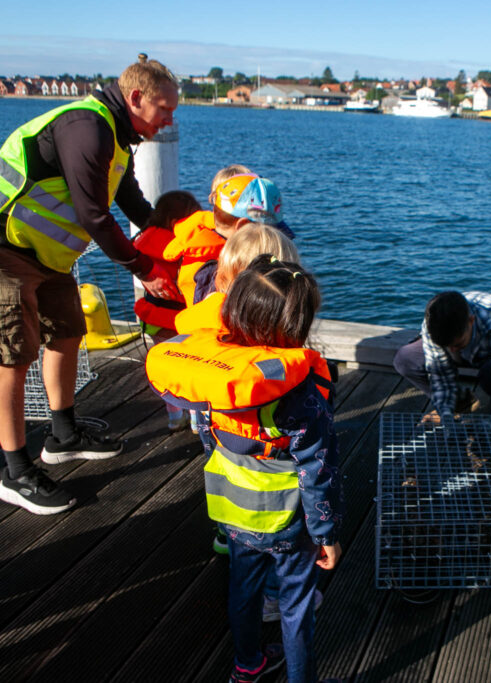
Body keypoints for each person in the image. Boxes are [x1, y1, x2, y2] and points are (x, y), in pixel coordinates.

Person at [0, 56, 181, 515]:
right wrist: (144, 269)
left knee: (68, 332)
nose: (169, 120)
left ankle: (63, 434)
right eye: (165, 109)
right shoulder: (85, 128)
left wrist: (175, 239)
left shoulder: (116, 138)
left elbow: (129, 201)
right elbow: (94, 215)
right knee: (11, 355)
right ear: (135, 98)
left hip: (41, 252)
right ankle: (16, 473)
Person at [146, 256, 342, 683]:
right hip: (289, 523)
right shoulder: (299, 394)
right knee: (295, 606)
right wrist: (326, 535)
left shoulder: (217, 379)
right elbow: (317, 471)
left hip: (233, 510)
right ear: (298, 324)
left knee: (243, 589)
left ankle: (247, 665)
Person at [393, 291, 491, 444]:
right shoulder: (432, 322)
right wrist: (445, 413)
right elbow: (440, 373)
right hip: (464, 349)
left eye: (457, 344)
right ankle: (460, 402)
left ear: (471, 321)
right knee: (406, 359)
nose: (452, 351)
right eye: (445, 346)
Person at [164, 171, 291, 308]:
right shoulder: (215, 273)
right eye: (269, 232)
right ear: (243, 227)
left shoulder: (201, 251)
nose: (275, 239)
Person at [132, 190, 202, 431]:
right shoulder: (183, 247)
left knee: (167, 370)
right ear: (177, 223)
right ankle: (196, 420)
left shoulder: (144, 241)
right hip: (181, 321)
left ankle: (174, 418)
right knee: (191, 369)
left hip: (154, 319)